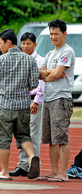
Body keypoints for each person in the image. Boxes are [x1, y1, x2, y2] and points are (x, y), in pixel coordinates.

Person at [0, 29, 40, 181]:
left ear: (8, 42)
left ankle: (4, 172)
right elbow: (34, 84)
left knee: (3, 140)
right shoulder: (30, 60)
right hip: (24, 106)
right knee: (24, 135)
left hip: (5, 106)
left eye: (0, 44)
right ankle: (32, 157)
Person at [36, 19, 75, 182]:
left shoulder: (67, 52)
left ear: (64, 34)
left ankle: (63, 173)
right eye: (51, 34)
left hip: (61, 99)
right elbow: (40, 73)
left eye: (56, 34)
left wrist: (50, 74)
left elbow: (57, 74)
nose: (53, 37)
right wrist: (51, 73)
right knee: (51, 139)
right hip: (49, 98)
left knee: (61, 137)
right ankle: (53, 171)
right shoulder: (50, 54)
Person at [9, 32, 45, 177]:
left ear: (35, 45)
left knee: (33, 133)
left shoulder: (40, 61)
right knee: (21, 133)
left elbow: (42, 83)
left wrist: (37, 100)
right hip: (20, 101)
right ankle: (23, 165)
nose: (25, 46)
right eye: (23, 43)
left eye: (28, 43)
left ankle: (34, 165)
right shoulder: (19, 59)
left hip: (33, 100)